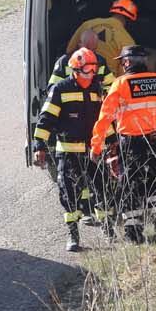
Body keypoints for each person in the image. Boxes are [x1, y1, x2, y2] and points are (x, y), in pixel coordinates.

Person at [90, 45, 156, 242]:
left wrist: (96, 146)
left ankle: (134, 234)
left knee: (131, 185)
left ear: (127, 62)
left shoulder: (120, 84)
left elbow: (105, 117)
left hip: (132, 144)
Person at [32, 47, 109, 251]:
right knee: (68, 192)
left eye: (94, 70)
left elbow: (104, 120)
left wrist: (113, 143)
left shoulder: (97, 89)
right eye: (87, 70)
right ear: (75, 70)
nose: (91, 74)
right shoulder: (60, 89)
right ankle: (73, 235)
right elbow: (46, 118)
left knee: (101, 188)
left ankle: (108, 230)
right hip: (67, 151)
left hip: (93, 151)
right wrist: (39, 145)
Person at [66, 0, 139, 77]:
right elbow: (125, 74)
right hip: (107, 83)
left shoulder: (87, 24)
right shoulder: (128, 41)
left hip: (79, 78)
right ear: (129, 20)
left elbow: (69, 51)